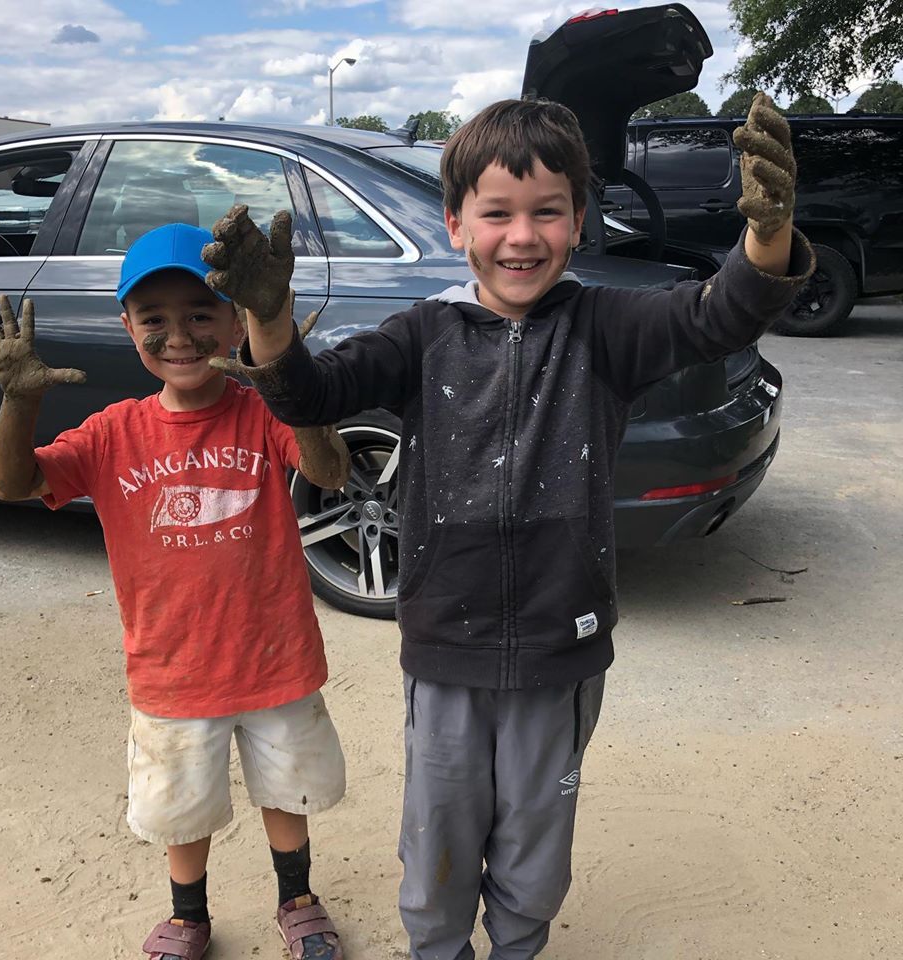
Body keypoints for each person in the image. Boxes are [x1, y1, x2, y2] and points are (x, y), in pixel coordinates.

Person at [201, 93, 814, 960]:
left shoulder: (606, 329)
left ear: (577, 220)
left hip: (562, 649)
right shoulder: (422, 334)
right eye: (496, 213)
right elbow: (309, 395)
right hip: (446, 644)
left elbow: (722, 312)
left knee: (534, 849)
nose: (521, 236)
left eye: (546, 212)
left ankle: (518, 946)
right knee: (440, 847)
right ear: (456, 224)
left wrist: (769, 232)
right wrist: (268, 319)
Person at [0, 222, 352, 960]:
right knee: (181, 807)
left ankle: (295, 898)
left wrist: (288, 371)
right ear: (126, 327)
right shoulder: (113, 433)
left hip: (276, 659)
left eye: (201, 314)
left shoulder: (264, 411)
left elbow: (329, 472)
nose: (180, 335)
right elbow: (15, 484)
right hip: (173, 671)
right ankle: (188, 915)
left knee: (287, 792)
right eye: (155, 319)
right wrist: (20, 404)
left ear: (235, 318)